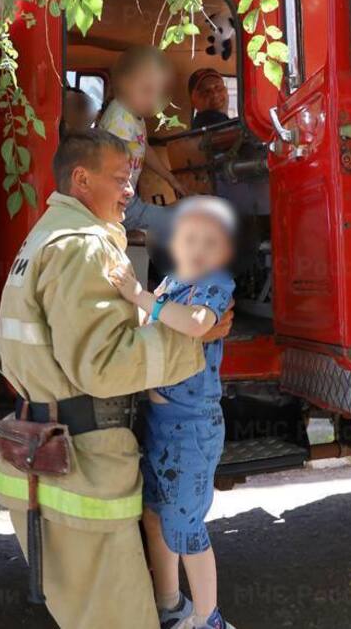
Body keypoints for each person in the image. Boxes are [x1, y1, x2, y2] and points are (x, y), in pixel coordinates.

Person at [0, 129, 232, 629]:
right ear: (81, 178)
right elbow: (103, 366)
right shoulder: (84, 247)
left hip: (47, 449)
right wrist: (193, 342)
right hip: (84, 462)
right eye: (120, 179)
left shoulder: (44, 235)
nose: (129, 192)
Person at [109, 196, 237, 629]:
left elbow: (198, 323)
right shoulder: (172, 281)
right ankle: (170, 605)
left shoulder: (215, 284)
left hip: (192, 426)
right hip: (161, 422)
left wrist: (142, 298)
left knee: (185, 526)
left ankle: (208, 618)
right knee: (155, 514)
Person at [99, 46, 183, 243]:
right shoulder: (120, 117)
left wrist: (171, 179)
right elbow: (110, 162)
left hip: (125, 198)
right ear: (125, 84)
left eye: (158, 93)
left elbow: (143, 146)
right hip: (115, 200)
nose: (153, 99)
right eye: (146, 90)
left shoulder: (133, 115)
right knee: (175, 222)